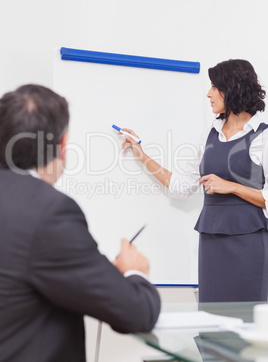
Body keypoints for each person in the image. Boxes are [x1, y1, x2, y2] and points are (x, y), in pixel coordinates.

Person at [0, 84, 161, 362]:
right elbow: (136, 313)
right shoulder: (48, 212)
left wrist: (91, 271)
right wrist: (134, 272)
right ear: (62, 146)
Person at [120, 59, 268, 302]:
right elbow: (179, 185)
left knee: (248, 319)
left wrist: (231, 187)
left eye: (214, 87)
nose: (208, 94)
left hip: (249, 243)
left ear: (236, 88)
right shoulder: (209, 135)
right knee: (211, 314)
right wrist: (141, 154)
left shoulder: (264, 135)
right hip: (212, 242)